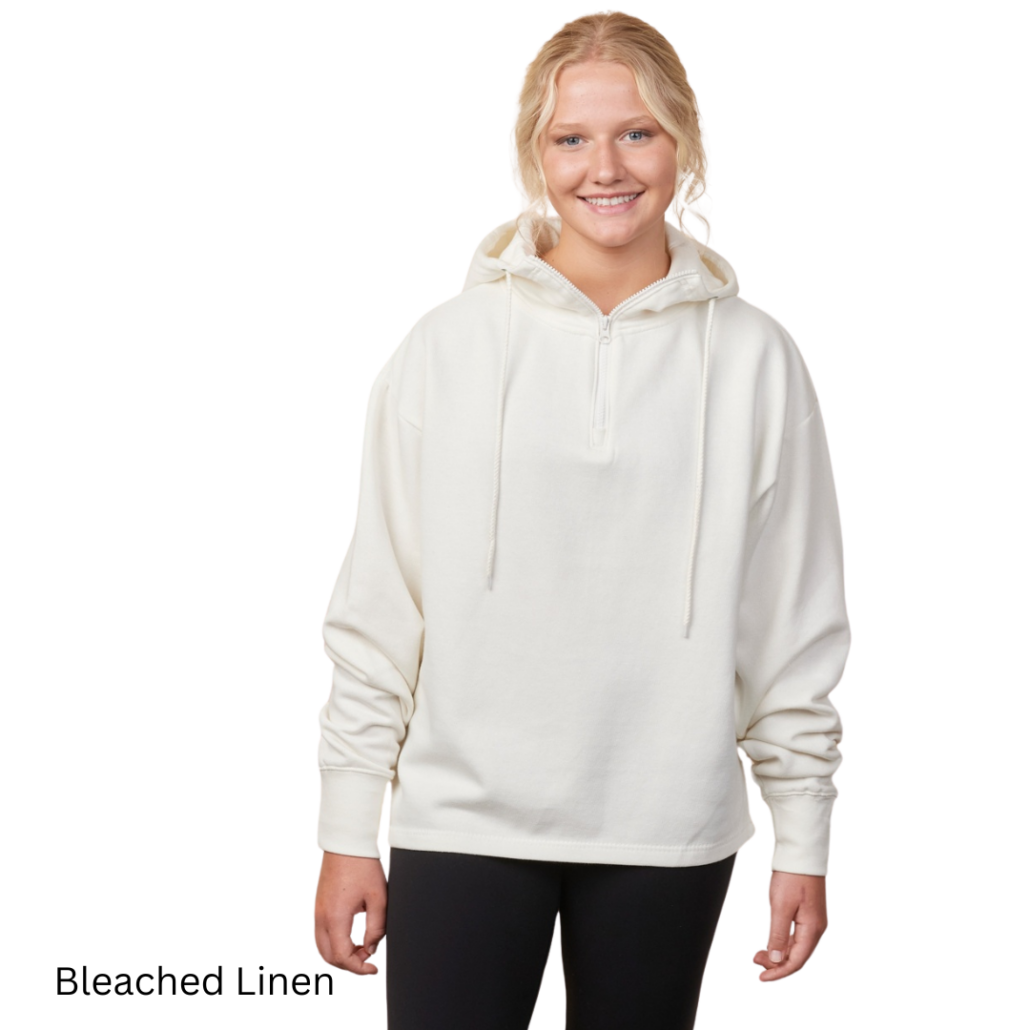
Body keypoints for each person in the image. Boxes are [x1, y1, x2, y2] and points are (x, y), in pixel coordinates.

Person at [313, 11, 850, 1029]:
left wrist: (803, 836)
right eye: (571, 139)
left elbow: (792, 619)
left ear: (682, 143)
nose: (605, 167)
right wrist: (347, 826)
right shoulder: (447, 347)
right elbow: (381, 601)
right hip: (462, 822)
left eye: (637, 133)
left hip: (669, 830)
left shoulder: (754, 359)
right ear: (536, 154)